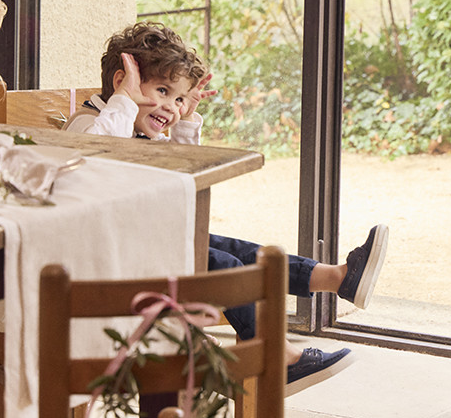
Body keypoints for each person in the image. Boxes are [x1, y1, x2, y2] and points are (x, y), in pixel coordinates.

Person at [65, 21, 390, 393]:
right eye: (162, 91)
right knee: (227, 267)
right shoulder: (93, 125)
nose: (171, 107)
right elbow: (97, 158)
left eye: (179, 98)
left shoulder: (136, 131)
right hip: (113, 260)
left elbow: (186, 181)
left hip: (149, 246)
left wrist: (185, 123)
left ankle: (336, 278)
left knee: (241, 251)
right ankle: (274, 357)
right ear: (123, 82)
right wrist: (125, 100)